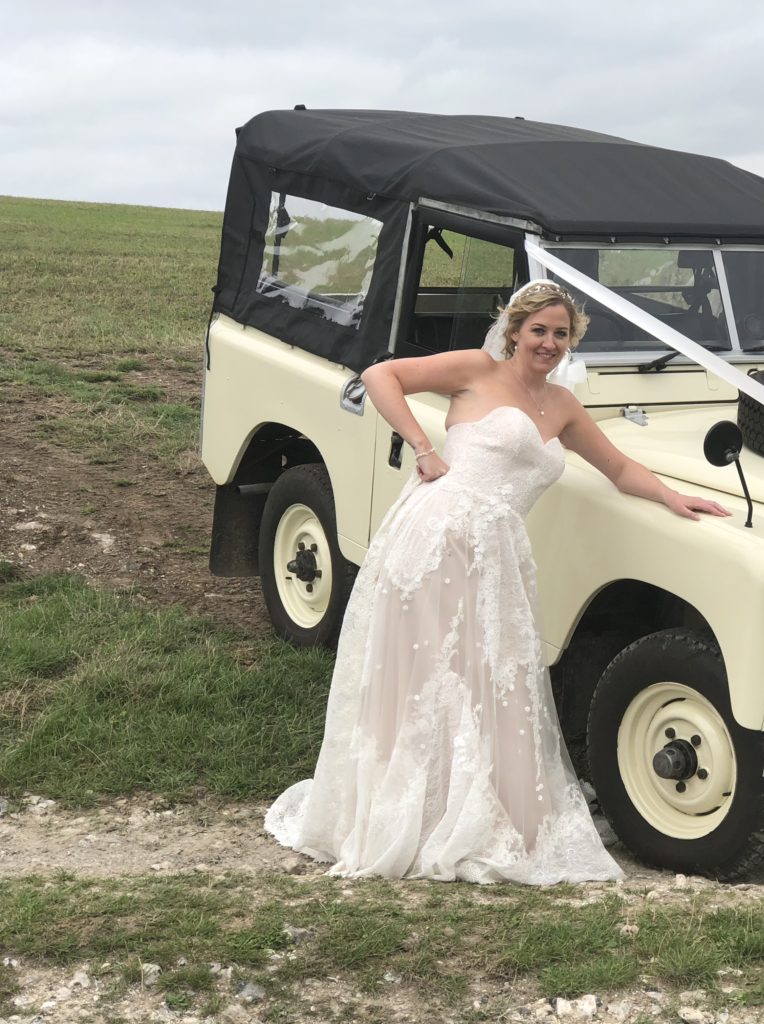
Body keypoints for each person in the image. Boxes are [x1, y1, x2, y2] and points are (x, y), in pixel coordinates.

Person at [266, 280, 730, 883]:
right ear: (514, 331)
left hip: (499, 552)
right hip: (439, 533)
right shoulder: (475, 369)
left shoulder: (562, 406)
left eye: (561, 334)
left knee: (490, 675)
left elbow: (617, 468)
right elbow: (381, 376)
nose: (549, 343)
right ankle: (403, 812)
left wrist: (677, 498)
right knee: (425, 673)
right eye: (538, 330)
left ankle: (476, 811)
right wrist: (422, 446)